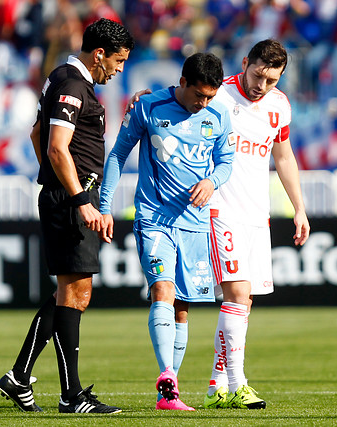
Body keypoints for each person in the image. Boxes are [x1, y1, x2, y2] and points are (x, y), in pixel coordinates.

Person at [0, 18, 134, 414]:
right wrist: (77, 198)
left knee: (69, 294)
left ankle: (20, 376)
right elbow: (56, 148)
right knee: (76, 294)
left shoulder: (62, 78)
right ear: (99, 54)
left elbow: (36, 133)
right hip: (72, 200)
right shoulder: (73, 86)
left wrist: (58, 185)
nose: (119, 69)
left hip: (67, 195)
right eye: (118, 61)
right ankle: (70, 396)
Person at [99, 52, 234, 411]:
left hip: (195, 224)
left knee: (183, 307)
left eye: (210, 97)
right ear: (183, 82)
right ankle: (167, 377)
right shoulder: (148, 106)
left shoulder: (219, 114)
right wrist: (104, 206)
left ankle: (168, 392)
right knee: (163, 289)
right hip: (154, 218)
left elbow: (226, 162)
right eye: (199, 96)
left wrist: (212, 181)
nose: (203, 104)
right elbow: (117, 155)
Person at [203, 39, 310, 409]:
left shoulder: (279, 106)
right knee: (237, 293)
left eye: (272, 80)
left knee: (243, 301)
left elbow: (283, 156)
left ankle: (217, 384)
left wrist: (299, 208)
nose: (261, 86)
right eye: (258, 75)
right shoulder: (217, 95)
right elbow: (176, 101)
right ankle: (238, 383)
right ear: (245, 63)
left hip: (255, 214)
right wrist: (144, 96)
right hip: (218, 209)